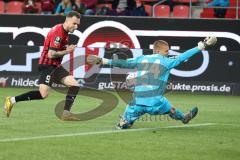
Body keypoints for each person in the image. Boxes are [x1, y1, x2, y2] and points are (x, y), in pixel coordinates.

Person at [87, 36, 217, 129]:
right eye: (166, 51)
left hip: (137, 103)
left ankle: (125, 122)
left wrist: (105, 61)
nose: (168, 53)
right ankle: (184, 118)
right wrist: (202, 45)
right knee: (170, 109)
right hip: (156, 103)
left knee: (127, 114)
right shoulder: (166, 61)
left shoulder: (141, 58)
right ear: (158, 51)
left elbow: (124, 63)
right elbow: (183, 56)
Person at [3, 11, 81, 121]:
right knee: (43, 94)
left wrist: (66, 50)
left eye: (78, 24)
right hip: (48, 64)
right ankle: (11, 100)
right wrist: (67, 51)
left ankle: (66, 113)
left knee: (75, 85)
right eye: (74, 23)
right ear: (67, 20)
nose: (76, 26)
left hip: (56, 66)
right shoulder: (58, 32)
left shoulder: (64, 32)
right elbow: (51, 54)